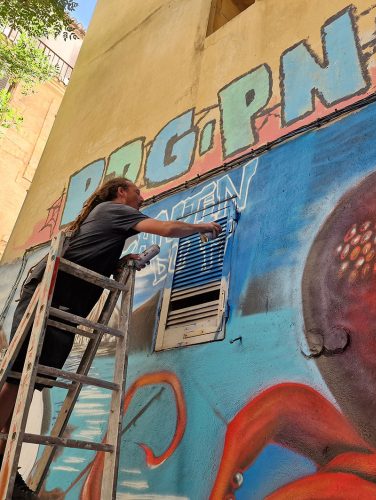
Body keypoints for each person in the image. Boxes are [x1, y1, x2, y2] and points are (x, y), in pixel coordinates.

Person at [0, 177, 221, 498]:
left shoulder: (109, 220)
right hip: (49, 294)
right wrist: (202, 226)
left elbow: (90, 252)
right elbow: (168, 229)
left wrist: (119, 262)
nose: (141, 197)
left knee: (29, 384)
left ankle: (8, 473)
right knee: (19, 380)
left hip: (63, 302)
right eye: (136, 191)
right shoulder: (114, 210)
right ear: (121, 192)